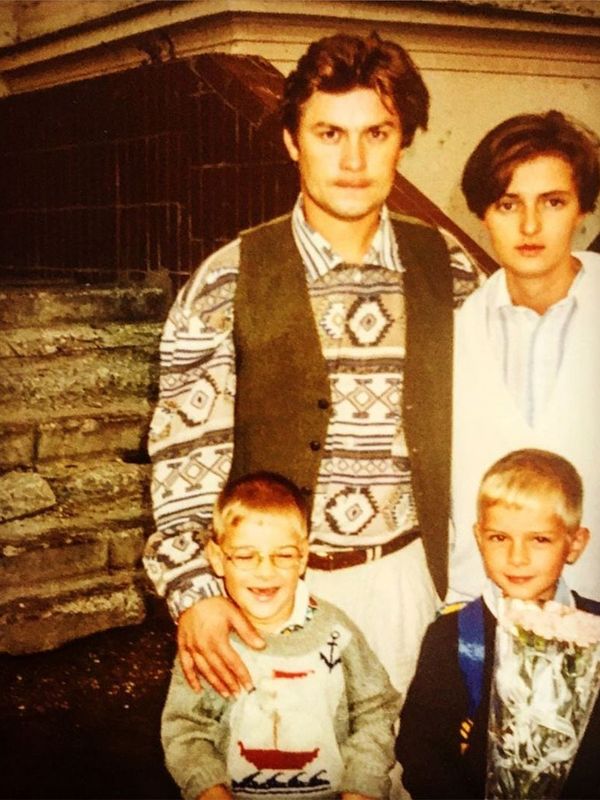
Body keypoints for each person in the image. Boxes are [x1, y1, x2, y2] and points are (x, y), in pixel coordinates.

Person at [145, 30, 480, 696]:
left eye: (376, 133)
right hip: (270, 601)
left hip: (415, 586)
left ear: (403, 140)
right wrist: (197, 594)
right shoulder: (226, 282)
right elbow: (184, 467)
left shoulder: (450, 270)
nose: (353, 160)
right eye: (329, 134)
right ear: (292, 142)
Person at [161, 472, 401, 800]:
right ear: (217, 558)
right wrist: (209, 789)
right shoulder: (212, 643)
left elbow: (375, 710)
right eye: (245, 556)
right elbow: (186, 729)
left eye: (284, 555)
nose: (265, 571)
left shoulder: (336, 632)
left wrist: (362, 785)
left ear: (302, 558)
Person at [450, 110, 600, 604]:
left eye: (553, 202)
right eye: (508, 204)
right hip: (482, 611)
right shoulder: (455, 328)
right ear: (483, 213)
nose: (530, 225)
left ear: (583, 208)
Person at [396, 448, 600, 799]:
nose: (517, 557)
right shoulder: (453, 636)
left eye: (539, 539)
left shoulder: (594, 630)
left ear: (574, 544)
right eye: (499, 538)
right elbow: (421, 751)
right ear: (479, 538)